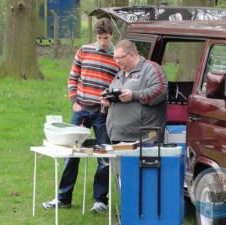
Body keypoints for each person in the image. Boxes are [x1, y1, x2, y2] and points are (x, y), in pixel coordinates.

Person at [42, 18, 119, 213]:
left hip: (103, 114)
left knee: (103, 156)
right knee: (71, 155)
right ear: (96, 36)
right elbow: (72, 77)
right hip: (81, 110)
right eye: (100, 38)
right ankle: (63, 198)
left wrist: (109, 102)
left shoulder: (117, 56)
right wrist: (74, 102)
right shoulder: (84, 51)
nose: (103, 42)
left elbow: (120, 85)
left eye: (106, 38)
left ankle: (100, 200)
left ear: (112, 36)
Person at [102, 39, 168, 143]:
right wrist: (106, 103)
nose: (117, 61)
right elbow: (109, 100)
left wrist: (134, 95)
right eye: (115, 58)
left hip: (143, 140)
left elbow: (160, 91)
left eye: (120, 57)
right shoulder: (119, 75)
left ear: (131, 54)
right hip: (117, 137)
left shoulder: (151, 69)